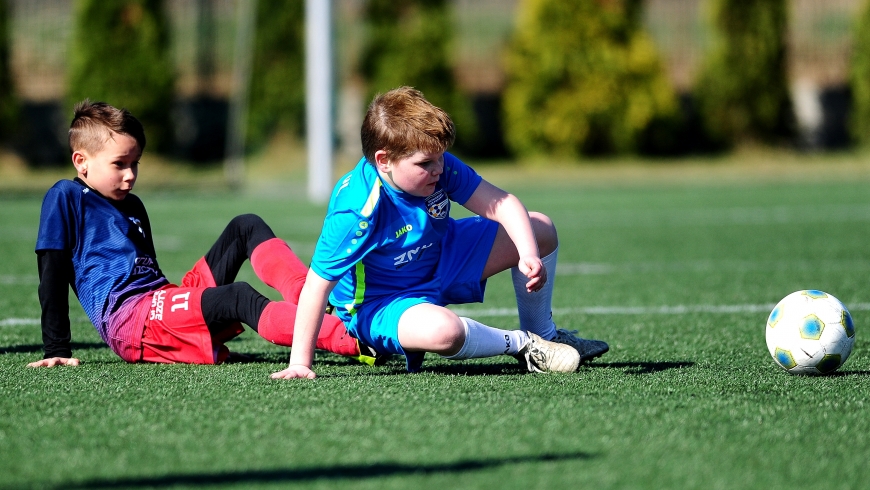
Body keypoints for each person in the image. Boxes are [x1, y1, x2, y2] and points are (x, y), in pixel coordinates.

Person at [272, 87, 609, 380]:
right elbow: (317, 283)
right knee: (443, 332)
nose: (438, 169)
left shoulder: (436, 161)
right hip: (383, 302)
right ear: (383, 160)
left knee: (539, 229)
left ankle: (546, 334)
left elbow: (501, 203)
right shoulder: (355, 209)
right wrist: (300, 362)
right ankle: (525, 345)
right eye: (425, 164)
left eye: (440, 159)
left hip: (444, 255)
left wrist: (529, 253)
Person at [30, 100, 377, 368]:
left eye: (136, 163)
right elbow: (52, 273)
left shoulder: (133, 205)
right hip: (133, 321)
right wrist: (56, 348)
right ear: (81, 161)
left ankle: (317, 304)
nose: (130, 174)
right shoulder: (66, 196)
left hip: (161, 301)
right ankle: (355, 338)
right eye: (119, 164)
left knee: (246, 224)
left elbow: (152, 277)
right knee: (237, 296)